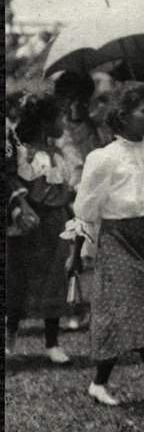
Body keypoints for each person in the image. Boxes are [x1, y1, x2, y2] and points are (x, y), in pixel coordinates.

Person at [71, 82, 144, 410]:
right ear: (122, 116)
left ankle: (98, 382)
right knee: (133, 308)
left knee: (139, 310)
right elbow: (86, 208)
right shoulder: (104, 158)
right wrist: (80, 249)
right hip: (117, 238)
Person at [7, 94, 74, 362]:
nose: (64, 122)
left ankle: (52, 341)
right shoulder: (26, 155)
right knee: (19, 281)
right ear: (46, 123)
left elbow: (64, 191)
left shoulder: (58, 155)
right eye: (60, 117)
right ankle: (9, 335)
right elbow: (23, 189)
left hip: (57, 225)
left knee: (55, 280)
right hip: (32, 226)